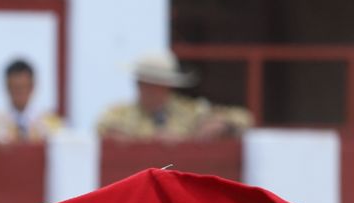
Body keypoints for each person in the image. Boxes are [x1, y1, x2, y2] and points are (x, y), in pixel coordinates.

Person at [96, 50, 254, 141]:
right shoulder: (118, 114)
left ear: (168, 87)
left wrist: (222, 125)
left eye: (156, 85)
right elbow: (101, 129)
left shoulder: (192, 110)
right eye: (145, 84)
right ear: (138, 85)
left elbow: (244, 118)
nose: (150, 90)